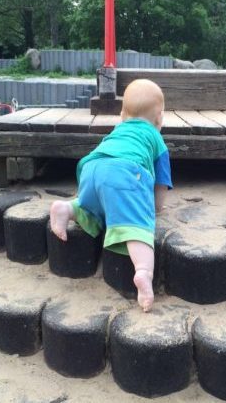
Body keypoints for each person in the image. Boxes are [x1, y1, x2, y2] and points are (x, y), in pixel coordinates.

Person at [49, 79, 172, 312]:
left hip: (91, 168)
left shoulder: (118, 131)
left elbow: (106, 164)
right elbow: (161, 182)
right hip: (124, 171)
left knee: (92, 207)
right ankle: (143, 273)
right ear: (159, 119)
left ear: (122, 115)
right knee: (137, 224)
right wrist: (154, 207)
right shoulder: (156, 139)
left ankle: (67, 209)